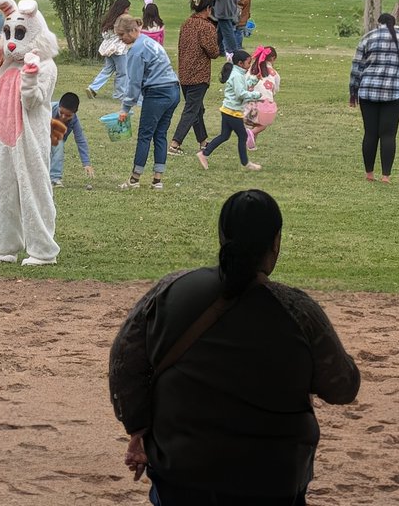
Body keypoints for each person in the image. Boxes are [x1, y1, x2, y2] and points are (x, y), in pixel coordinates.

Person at [108, 189, 361, 506]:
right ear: (275, 242)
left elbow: (123, 362)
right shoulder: (299, 311)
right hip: (274, 480)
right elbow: (343, 387)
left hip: (181, 477)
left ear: (221, 236)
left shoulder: (169, 289)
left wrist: (139, 427)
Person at [349, 12, 399, 183]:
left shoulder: (368, 37)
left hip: (368, 92)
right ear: (395, 23)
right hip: (395, 93)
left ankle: (369, 174)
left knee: (370, 133)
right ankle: (386, 176)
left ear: (378, 22)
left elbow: (357, 67)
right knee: (388, 135)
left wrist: (353, 92)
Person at [116, 14, 181, 190]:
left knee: (145, 135)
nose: (121, 39)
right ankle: (157, 180)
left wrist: (125, 108)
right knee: (160, 134)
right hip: (174, 90)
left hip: (158, 93)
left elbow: (134, 83)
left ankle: (134, 179)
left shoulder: (136, 50)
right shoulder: (148, 41)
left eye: (122, 35)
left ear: (132, 31)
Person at [169, 0, 220, 156]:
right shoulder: (206, 27)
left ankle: (203, 141)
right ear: (208, 9)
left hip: (184, 73)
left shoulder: (186, 24)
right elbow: (213, 52)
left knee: (197, 109)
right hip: (199, 74)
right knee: (191, 109)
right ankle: (175, 143)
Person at [197, 50, 265, 172]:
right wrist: (257, 95)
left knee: (224, 136)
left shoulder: (237, 74)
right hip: (233, 112)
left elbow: (243, 86)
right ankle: (246, 163)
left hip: (228, 110)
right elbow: (241, 94)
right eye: (248, 63)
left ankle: (204, 153)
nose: (250, 65)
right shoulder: (237, 76)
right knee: (243, 136)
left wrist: (255, 80)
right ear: (240, 63)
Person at [87, 0, 131, 100]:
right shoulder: (123, 20)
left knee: (107, 69)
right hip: (119, 50)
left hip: (108, 49)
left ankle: (93, 88)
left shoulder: (110, 19)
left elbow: (105, 34)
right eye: (127, 9)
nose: (128, 11)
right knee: (122, 72)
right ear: (122, 9)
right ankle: (119, 94)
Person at [50, 92, 93, 187]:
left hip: (56, 138)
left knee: (58, 145)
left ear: (74, 114)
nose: (63, 117)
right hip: (40, 135)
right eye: (61, 113)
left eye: (68, 115)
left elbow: (80, 140)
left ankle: (54, 178)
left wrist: (86, 163)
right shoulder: (48, 109)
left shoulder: (74, 121)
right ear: (59, 106)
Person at [246, 46, 280, 148]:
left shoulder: (252, 69)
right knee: (264, 123)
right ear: (273, 58)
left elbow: (246, 82)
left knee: (255, 123)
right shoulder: (274, 73)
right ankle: (250, 134)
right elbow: (275, 89)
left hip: (250, 99)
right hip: (264, 100)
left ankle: (251, 144)